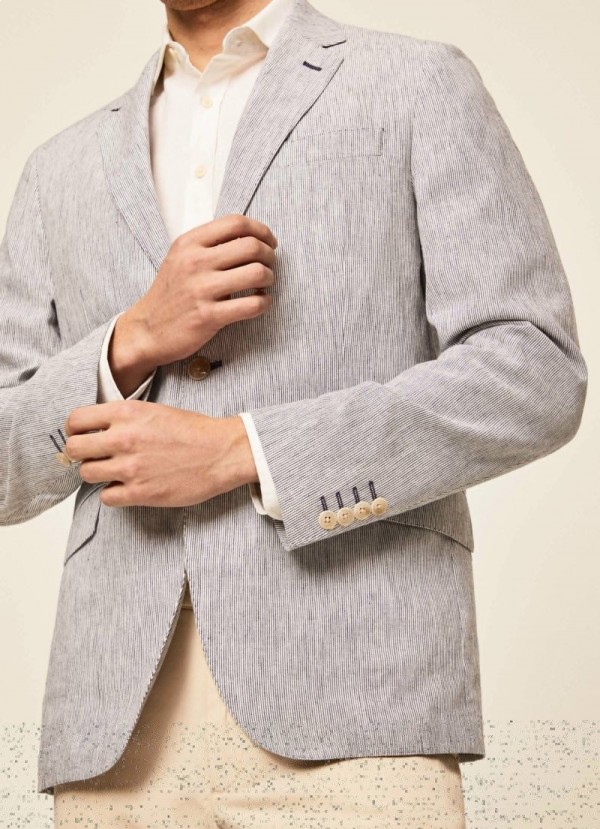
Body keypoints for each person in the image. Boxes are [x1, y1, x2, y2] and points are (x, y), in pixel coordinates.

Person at [0, 0, 587, 825]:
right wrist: (130, 341)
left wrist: (247, 450)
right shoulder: (56, 168)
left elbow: (534, 371)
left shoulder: (416, 84)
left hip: (361, 706)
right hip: (115, 737)